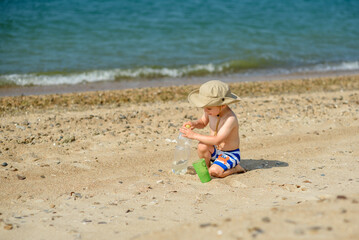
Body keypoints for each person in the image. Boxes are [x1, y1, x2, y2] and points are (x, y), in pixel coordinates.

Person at [180, 80, 246, 178]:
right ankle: (207, 168)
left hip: (230, 154)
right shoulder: (211, 111)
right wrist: (194, 123)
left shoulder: (230, 119)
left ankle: (235, 168)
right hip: (215, 150)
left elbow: (217, 139)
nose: (205, 111)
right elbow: (202, 122)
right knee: (202, 146)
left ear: (222, 105)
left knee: (215, 172)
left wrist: (194, 135)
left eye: (209, 108)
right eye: (204, 107)